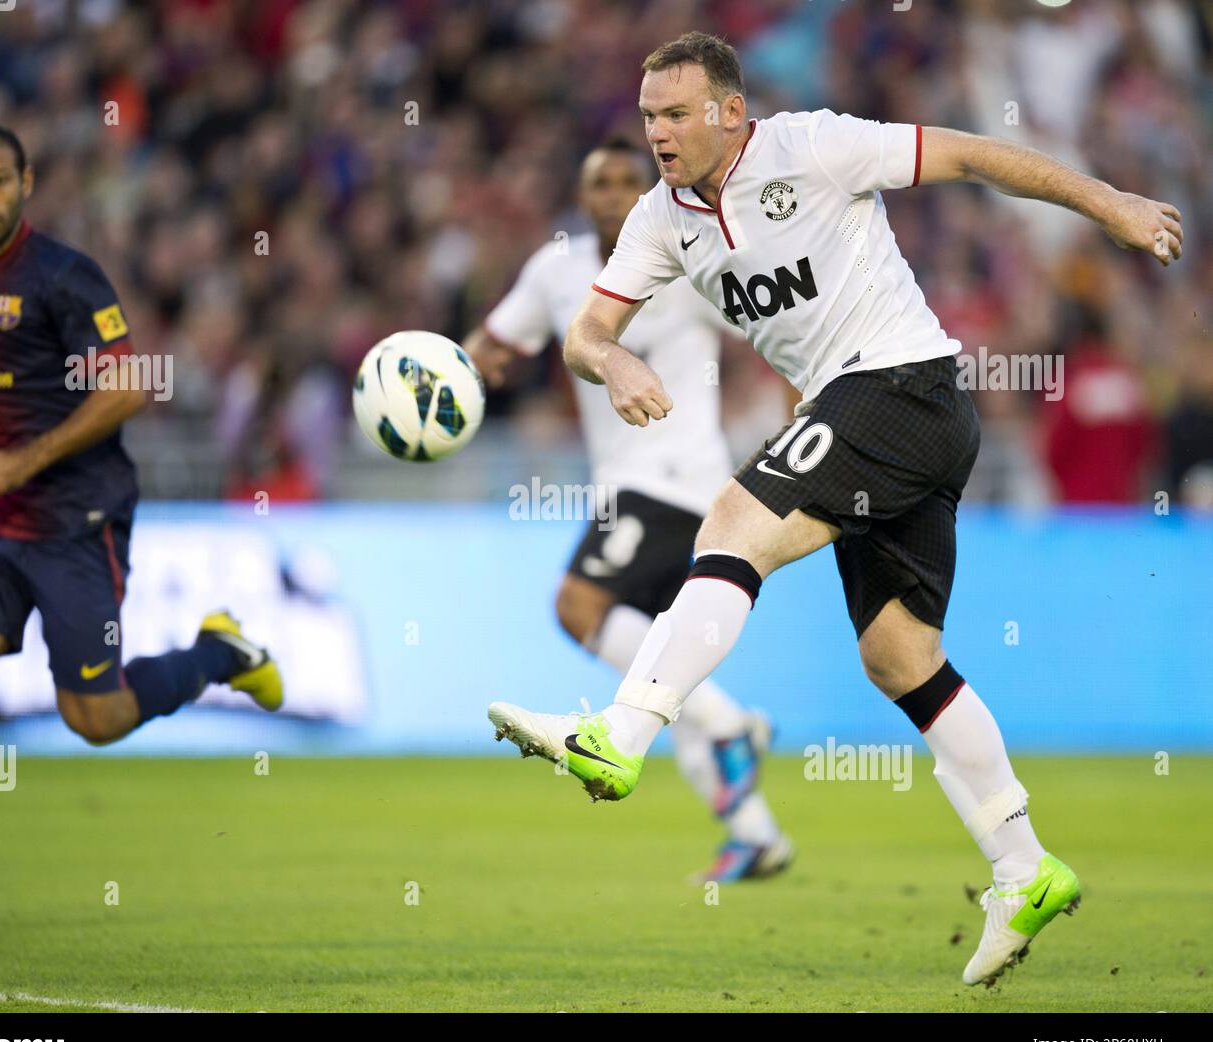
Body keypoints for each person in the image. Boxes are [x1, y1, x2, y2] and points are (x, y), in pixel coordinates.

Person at [488, 32, 1182, 986]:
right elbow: (584, 332)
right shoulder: (660, 219)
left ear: (730, 112)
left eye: (677, 114)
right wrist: (615, 361)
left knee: (733, 523)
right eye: (649, 116)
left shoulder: (814, 145)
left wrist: (1112, 205)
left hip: (901, 385)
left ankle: (623, 733)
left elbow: (976, 154)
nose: (658, 132)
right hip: (884, 419)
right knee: (900, 658)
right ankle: (1025, 867)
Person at [0, 123, 283, 941]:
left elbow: (125, 388)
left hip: (77, 518)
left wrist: (27, 458)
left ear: (27, 182)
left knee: (96, 717)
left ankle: (220, 652)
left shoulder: (64, 277)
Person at [466, 136, 792, 883]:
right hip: (626, 485)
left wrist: (784, 424)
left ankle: (731, 722)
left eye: (625, 179)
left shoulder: (690, 254)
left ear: (645, 188)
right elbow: (492, 346)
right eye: (600, 181)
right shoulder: (557, 272)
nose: (613, 192)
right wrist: (438, 378)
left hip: (679, 479)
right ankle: (755, 833)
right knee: (656, 658)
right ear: (583, 197)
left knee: (578, 605)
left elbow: (771, 334)